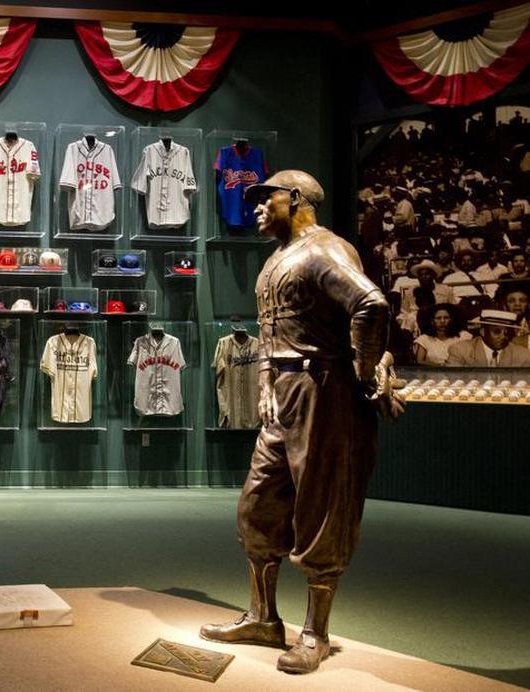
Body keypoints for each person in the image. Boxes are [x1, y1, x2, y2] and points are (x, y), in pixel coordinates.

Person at [199, 170, 404, 674]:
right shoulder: (277, 259)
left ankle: (315, 632)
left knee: (321, 508)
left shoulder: (323, 250)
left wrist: (363, 368)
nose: (255, 209)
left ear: (295, 199)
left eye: (265, 199)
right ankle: (264, 617)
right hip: (286, 394)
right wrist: (266, 385)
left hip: (323, 389)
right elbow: (269, 333)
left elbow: (370, 302)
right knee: (258, 507)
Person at [446, 309, 530, 366]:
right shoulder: (461, 350)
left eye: (507, 333)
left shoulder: (523, 355)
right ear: (482, 331)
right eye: (497, 332)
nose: (503, 337)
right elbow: (450, 381)